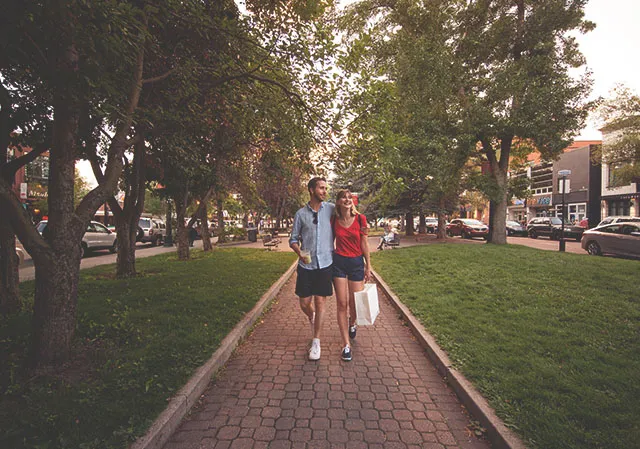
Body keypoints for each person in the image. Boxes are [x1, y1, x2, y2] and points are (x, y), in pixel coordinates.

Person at [289, 177, 335, 361]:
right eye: (321, 188)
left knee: (321, 302)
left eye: (325, 188)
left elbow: (348, 213)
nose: (324, 191)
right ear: (311, 190)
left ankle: (316, 341)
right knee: (304, 303)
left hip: (325, 263)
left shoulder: (331, 209)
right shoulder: (300, 214)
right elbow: (293, 239)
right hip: (306, 264)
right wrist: (299, 252)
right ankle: (312, 316)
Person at [331, 189, 371, 361]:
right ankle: (346, 345)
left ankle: (352, 323)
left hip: (356, 263)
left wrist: (368, 266)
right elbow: (329, 240)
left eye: (349, 198)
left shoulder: (361, 219)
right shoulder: (334, 220)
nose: (347, 200)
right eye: (343, 198)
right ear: (339, 202)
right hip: (338, 263)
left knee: (355, 304)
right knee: (342, 303)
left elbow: (364, 242)